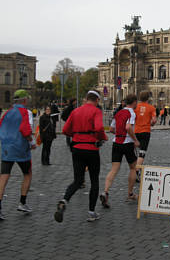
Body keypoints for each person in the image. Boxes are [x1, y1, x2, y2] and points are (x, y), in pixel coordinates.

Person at [54, 90, 107, 223]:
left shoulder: (76, 111)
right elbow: (100, 128)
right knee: (94, 180)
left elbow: (65, 130)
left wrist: (77, 135)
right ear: (97, 100)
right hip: (91, 148)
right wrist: (101, 138)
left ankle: (64, 200)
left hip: (77, 148)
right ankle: (91, 212)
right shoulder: (96, 111)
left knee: (78, 180)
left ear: (86, 99)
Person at [0, 90, 36, 221]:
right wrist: (32, 142)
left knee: (3, 176)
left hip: (7, 149)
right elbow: (25, 129)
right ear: (24, 100)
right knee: (27, 174)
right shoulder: (24, 112)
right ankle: (22, 202)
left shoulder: (8, 112)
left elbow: (0, 127)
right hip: (21, 149)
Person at [100, 94, 140, 208]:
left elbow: (112, 129)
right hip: (127, 143)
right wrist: (135, 140)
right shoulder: (131, 112)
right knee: (133, 168)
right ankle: (130, 193)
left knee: (114, 169)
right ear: (134, 102)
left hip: (116, 142)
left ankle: (106, 191)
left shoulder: (118, 113)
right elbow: (128, 127)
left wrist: (118, 134)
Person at [134, 91, 157, 182]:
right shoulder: (151, 108)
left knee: (135, 152)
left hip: (136, 131)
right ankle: (137, 170)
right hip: (145, 132)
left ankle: (135, 168)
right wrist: (150, 123)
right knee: (142, 153)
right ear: (148, 98)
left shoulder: (136, 107)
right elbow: (154, 120)